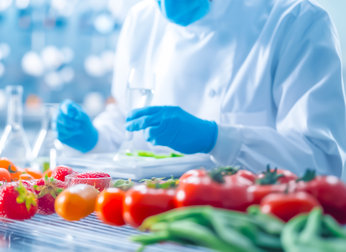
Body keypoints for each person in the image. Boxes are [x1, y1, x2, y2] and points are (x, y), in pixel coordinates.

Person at [56, 0, 346, 178]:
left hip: (251, 224)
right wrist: (94, 138)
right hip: (149, 215)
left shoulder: (295, 21)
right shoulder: (142, 19)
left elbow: (321, 160)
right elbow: (127, 119)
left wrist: (217, 139)